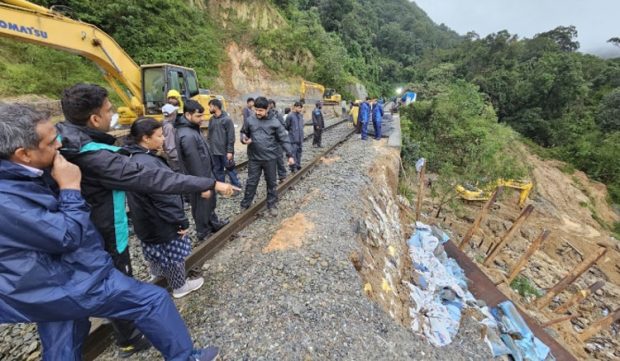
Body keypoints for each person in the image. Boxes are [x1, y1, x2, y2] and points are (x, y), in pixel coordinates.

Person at [0, 103, 220, 361]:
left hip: (36, 283)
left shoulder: (23, 174)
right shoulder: (7, 199)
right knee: (152, 300)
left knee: (64, 338)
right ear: (23, 154)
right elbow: (67, 236)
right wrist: (71, 188)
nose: (59, 145)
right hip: (60, 280)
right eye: (51, 142)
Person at [57, 83, 234, 356]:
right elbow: (157, 179)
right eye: (108, 109)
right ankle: (173, 351)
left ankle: (127, 338)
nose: (113, 113)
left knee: (77, 313)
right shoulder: (94, 156)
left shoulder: (67, 141)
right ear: (94, 119)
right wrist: (209, 182)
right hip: (104, 237)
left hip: (89, 234)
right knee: (148, 298)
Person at [124, 118, 205, 298]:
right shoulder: (149, 162)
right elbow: (165, 197)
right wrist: (180, 221)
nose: (162, 139)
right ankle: (179, 286)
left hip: (144, 219)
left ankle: (158, 277)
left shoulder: (132, 156)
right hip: (161, 221)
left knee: (155, 252)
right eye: (159, 136)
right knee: (173, 254)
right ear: (145, 138)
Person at [175, 100, 232, 241]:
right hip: (198, 179)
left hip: (205, 175)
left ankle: (213, 223)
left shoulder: (192, 129)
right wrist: (202, 186)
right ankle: (203, 232)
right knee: (200, 205)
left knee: (209, 202)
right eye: (198, 116)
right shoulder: (187, 135)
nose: (202, 119)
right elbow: (194, 163)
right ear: (188, 115)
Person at [240, 96, 295, 217]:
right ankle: (245, 204)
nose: (258, 113)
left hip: (270, 158)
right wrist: (243, 139)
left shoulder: (275, 122)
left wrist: (290, 155)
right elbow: (243, 132)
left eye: (260, 110)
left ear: (267, 109)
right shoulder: (250, 120)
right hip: (254, 158)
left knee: (271, 183)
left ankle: (272, 205)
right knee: (251, 182)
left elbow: (284, 139)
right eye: (256, 110)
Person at [207, 99, 242, 188]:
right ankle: (222, 188)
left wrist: (230, 151)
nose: (209, 108)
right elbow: (209, 135)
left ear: (215, 107)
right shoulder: (211, 119)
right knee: (217, 170)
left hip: (225, 151)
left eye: (210, 106)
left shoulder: (227, 120)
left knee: (230, 169)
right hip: (214, 151)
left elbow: (231, 137)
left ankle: (236, 186)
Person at [268, 99, 288, 182]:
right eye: (268, 104)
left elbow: (283, 125)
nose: (270, 106)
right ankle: (271, 177)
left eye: (271, 104)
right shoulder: (264, 116)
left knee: (279, 159)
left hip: (277, 141)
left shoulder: (278, 115)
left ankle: (282, 175)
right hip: (268, 142)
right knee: (269, 161)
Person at [285, 101, 304, 173]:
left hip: (300, 138)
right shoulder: (290, 116)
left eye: (301, 108)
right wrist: (292, 133)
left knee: (299, 153)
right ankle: (293, 167)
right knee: (293, 153)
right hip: (293, 139)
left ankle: (298, 165)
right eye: (298, 108)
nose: (300, 109)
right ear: (295, 107)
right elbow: (286, 126)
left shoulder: (300, 116)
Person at [162, 103, 181, 171]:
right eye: (175, 112)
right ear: (172, 114)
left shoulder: (164, 124)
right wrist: (178, 159)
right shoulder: (169, 127)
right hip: (174, 161)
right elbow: (170, 147)